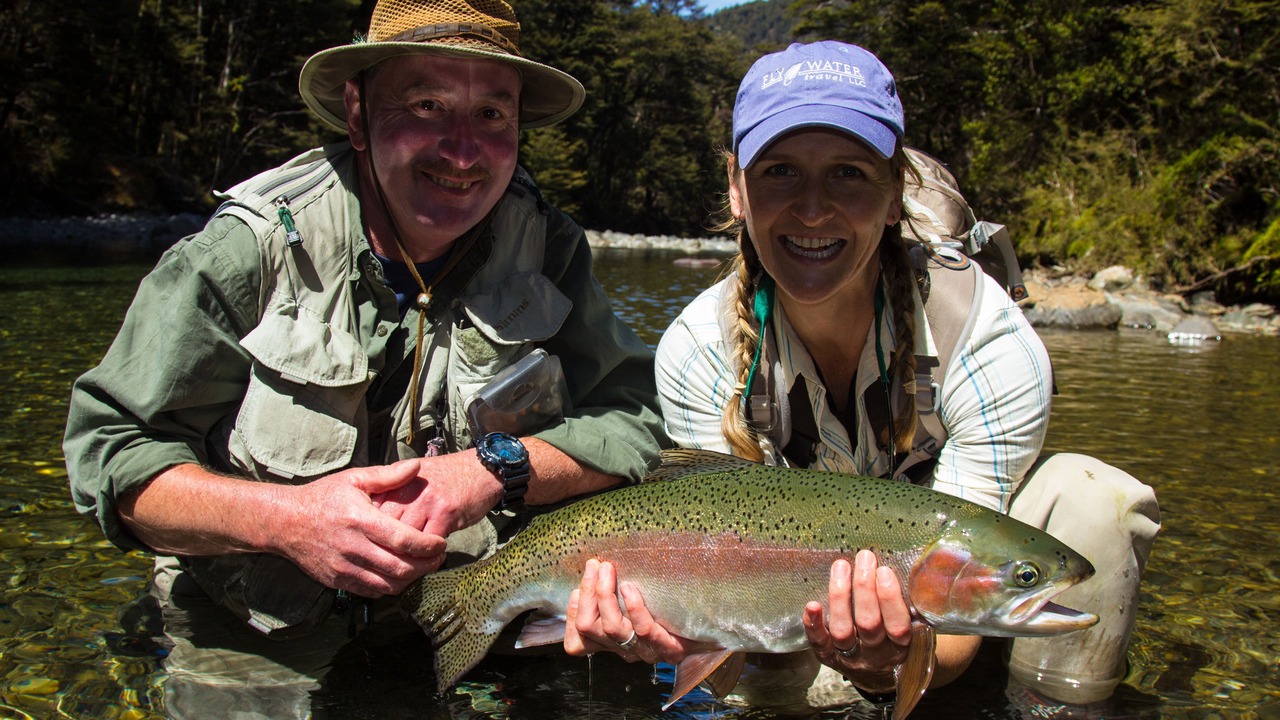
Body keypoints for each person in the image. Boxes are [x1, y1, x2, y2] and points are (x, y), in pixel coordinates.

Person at [62, 0, 665, 716]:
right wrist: (288, 522)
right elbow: (110, 455)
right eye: (427, 104)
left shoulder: (549, 248)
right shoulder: (246, 250)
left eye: (492, 116)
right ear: (357, 112)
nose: (463, 151)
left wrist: (492, 468)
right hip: (260, 629)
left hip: (485, 608)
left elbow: (631, 422)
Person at [563, 40, 1160, 713]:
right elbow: (713, 541)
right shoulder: (698, 348)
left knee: (1096, 500)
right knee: (749, 687)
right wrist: (671, 621)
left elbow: (951, 626)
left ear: (896, 191)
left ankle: (1054, 703)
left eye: (848, 173)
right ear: (736, 187)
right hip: (782, 626)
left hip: (952, 614)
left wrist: (893, 664)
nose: (813, 209)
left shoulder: (987, 340)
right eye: (781, 171)